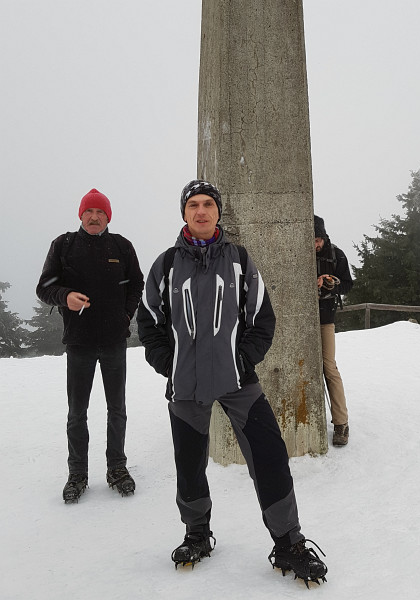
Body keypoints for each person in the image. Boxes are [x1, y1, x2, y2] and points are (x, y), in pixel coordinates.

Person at [137, 180, 328, 587]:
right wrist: (168, 364)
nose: (201, 211)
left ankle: (288, 542)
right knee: (189, 463)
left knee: (270, 456)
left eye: (208, 204)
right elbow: (149, 322)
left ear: (218, 212)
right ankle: (196, 534)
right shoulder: (165, 265)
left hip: (238, 381)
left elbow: (262, 318)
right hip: (185, 386)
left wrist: (241, 360)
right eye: (193, 205)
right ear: (184, 213)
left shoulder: (240, 260)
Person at [36, 188, 144, 502]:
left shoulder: (121, 246)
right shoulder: (64, 245)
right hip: (79, 342)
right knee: (76, 413)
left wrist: (126, 315)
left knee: (117, 410)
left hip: (114, 342)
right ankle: (77, 474)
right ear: (81, 215)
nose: (94, 217)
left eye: (100, 212)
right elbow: (44, 287)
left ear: (108, 217)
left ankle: (117, 468)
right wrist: (65, 296)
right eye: (89, 212)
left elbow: (136, 283)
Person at [314, 215, 353, 446]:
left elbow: (348, 284)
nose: (315, 244)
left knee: (329, 367)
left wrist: (331, 282)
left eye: (318, 239)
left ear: (324, 237)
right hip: (301, 320)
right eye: (312, 240)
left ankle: (341, 423)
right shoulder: (299, 253)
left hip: (325, 319)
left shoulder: (337, 254)